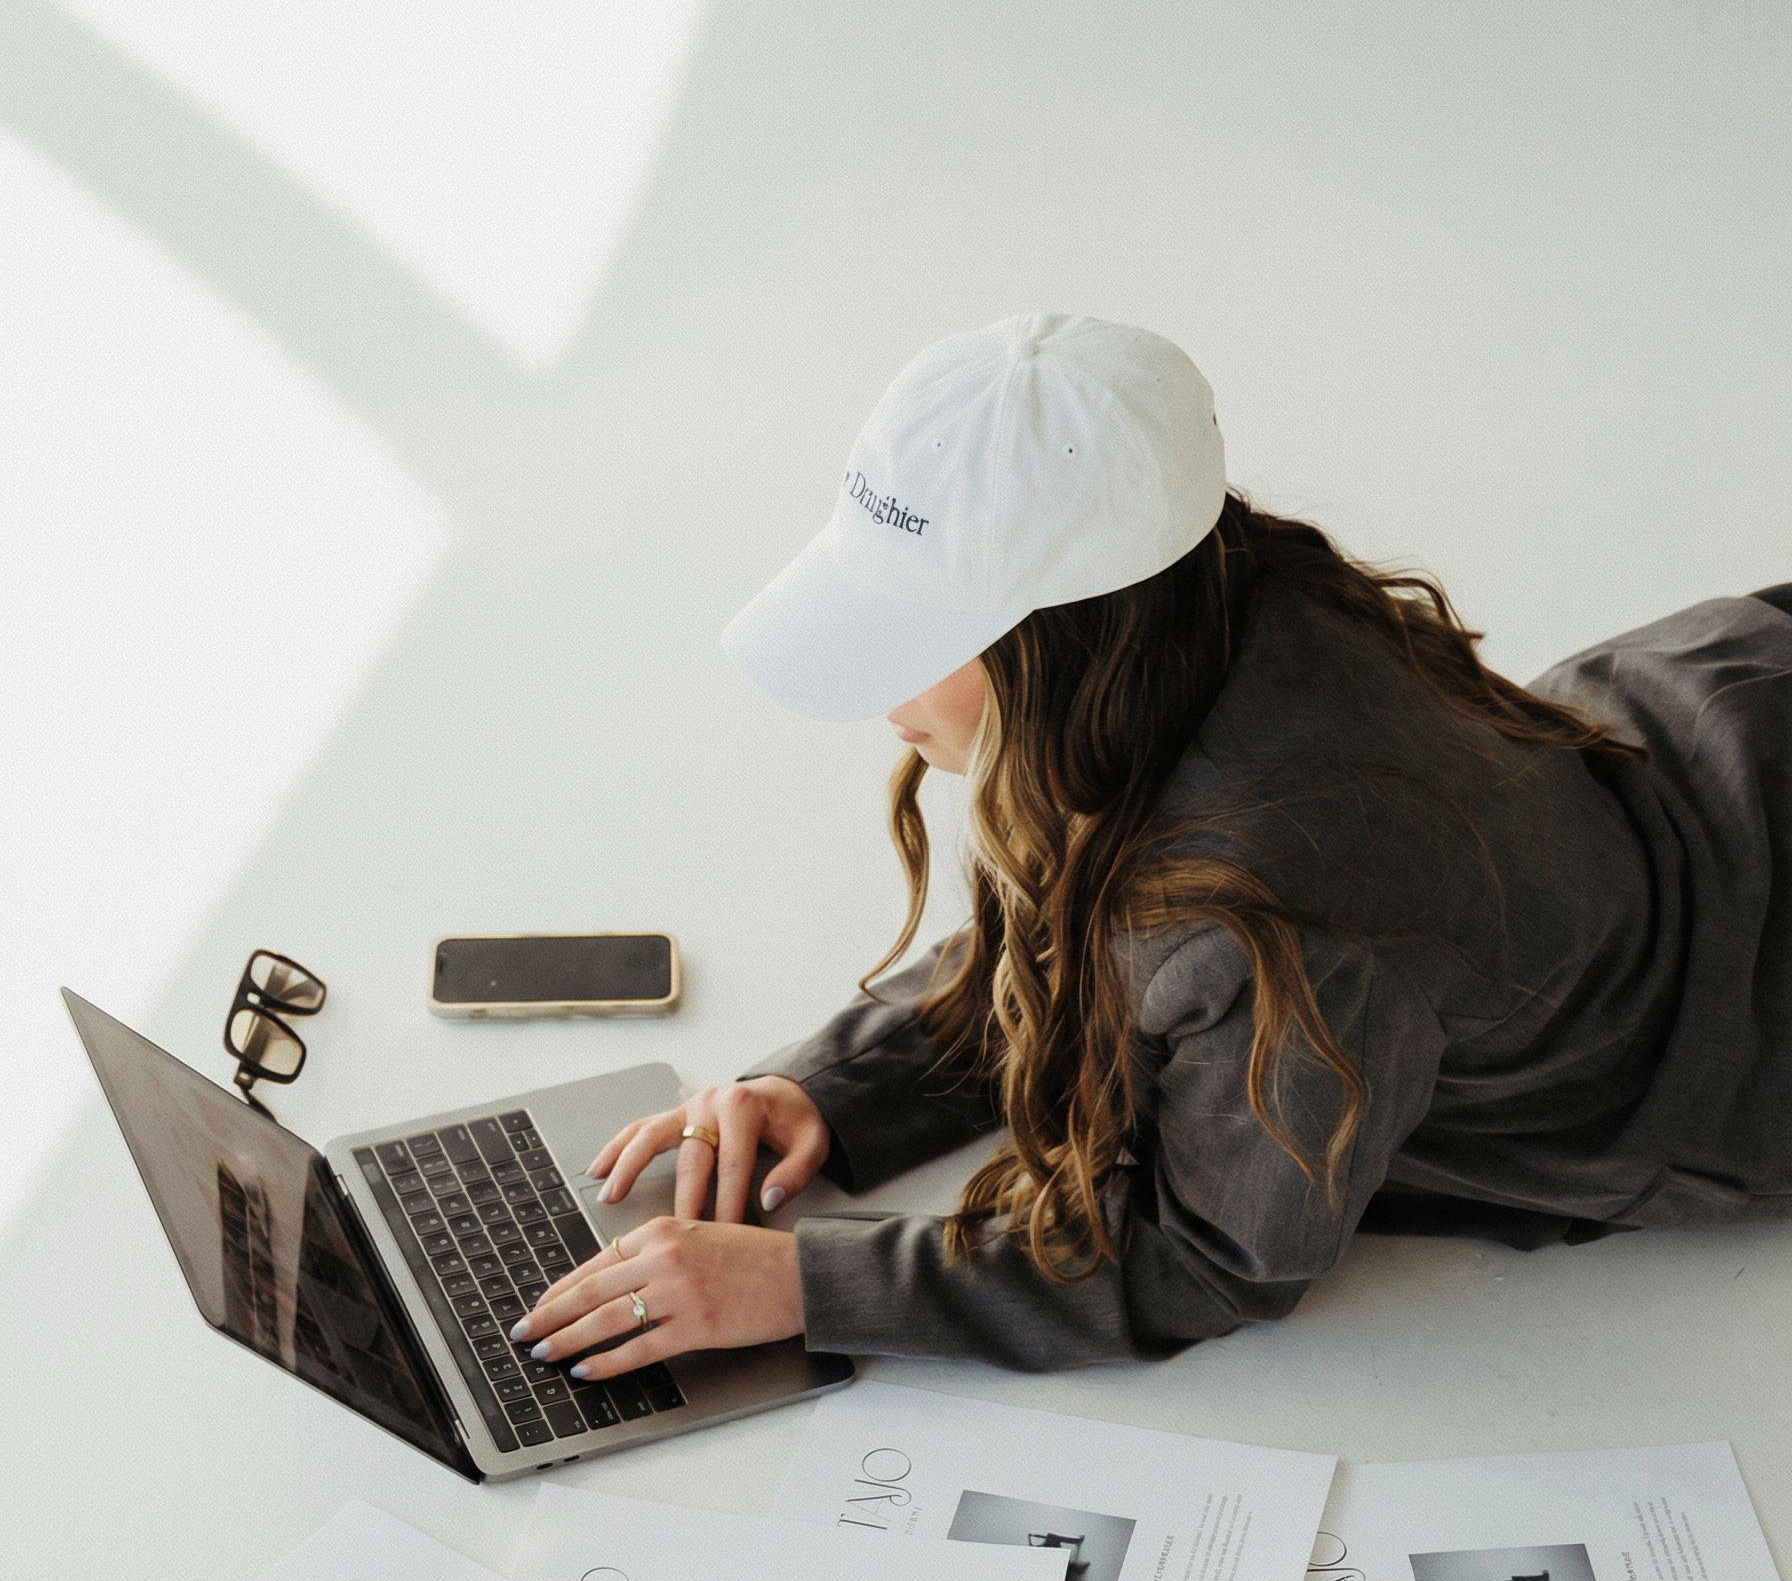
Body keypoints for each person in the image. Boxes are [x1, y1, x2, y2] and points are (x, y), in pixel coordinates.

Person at [512, 315, 1792, 1382]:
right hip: (1717, 720)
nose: (874, 694)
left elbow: (1215, 1254)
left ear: (1060, 644)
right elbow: (1101, 944)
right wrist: (834, 1094)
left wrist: (806, 1282)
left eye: (913, 632)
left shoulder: (1284, 911)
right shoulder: (1210, 597)